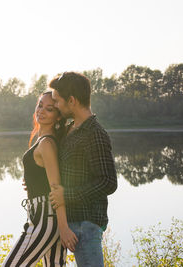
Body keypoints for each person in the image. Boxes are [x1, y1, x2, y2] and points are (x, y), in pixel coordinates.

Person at [48, 72, 118, 267]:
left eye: (57, 101)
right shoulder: (71, 129)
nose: (55, 106)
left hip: (86, 224)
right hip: (73, 224)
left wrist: (67, 195)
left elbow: (108, 182)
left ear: (71, 101)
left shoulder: (94, 133)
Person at [3, 91, 78, 267]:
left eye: (49, 109)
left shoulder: (46, 143)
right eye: (40, 105)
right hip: (46, 217)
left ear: (58, 117)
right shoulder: (45, 141)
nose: (41, 111)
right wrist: (31, 182)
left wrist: (64, 227)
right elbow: (45, 178)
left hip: (47, 219)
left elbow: (56, 187)